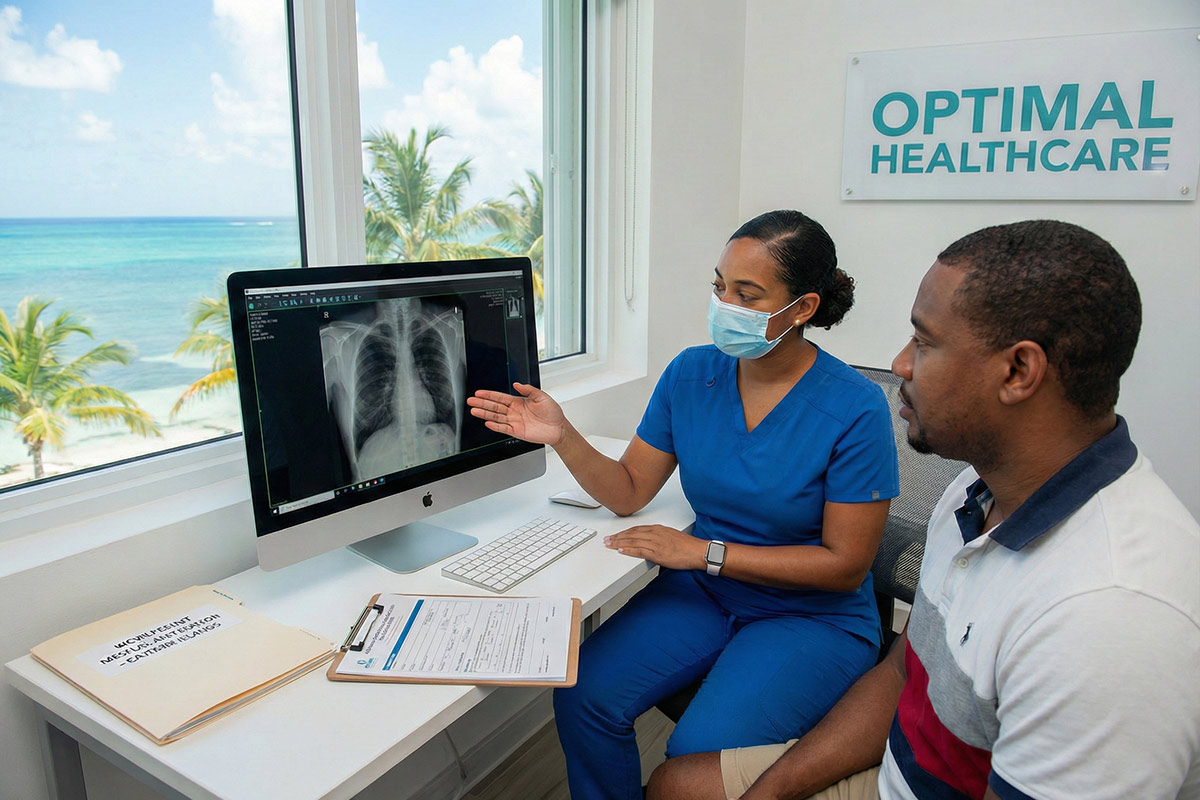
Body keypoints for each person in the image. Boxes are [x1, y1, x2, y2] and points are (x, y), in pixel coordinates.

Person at [645, 219, 1200, 800]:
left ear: (1018, 371)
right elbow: (909, 671)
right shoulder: (970, 496)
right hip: (900, 768)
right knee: (676, 787)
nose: (901, 365)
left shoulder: (1112, 616)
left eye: (925, 342)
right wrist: (770, 791)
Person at [468, 209, 900, 800]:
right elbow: (627, 492)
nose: (725, 303)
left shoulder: (855, 407)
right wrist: (562, 434)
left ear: (801, 309)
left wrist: (704, 552)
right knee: (583, 692)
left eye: (746, 294)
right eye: (719, 286)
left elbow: (845, 565)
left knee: (696, 765)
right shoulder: (692, 374)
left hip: (811, 616)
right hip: (705, 592)